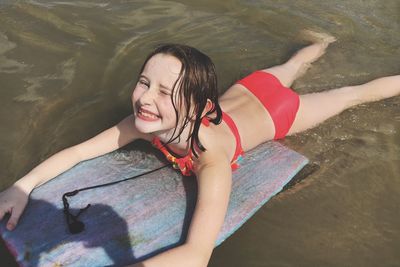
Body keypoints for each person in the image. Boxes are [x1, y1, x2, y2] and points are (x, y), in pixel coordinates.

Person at [0, 31, 399, 267]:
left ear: (201, 108)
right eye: (144, 82)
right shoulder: (145, 123)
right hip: (248, 86)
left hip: (278, 111)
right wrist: (22, 186)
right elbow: (78, 152)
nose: (145, 98)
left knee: (349, 95)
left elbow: (196, 255)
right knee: (295, 63)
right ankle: (318, 44)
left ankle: (329, 45)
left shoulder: (212, 161)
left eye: (164, 92)